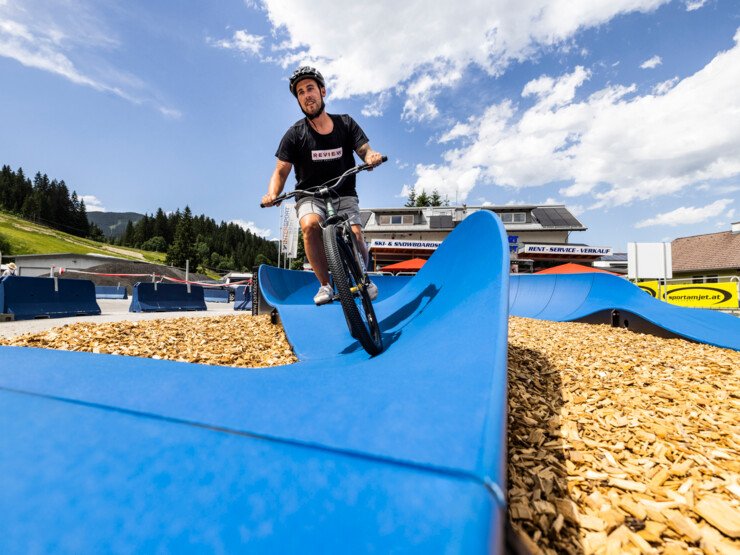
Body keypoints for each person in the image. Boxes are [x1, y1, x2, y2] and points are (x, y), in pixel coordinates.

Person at [262, 66, 384, 305]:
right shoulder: (294, 134)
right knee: (309, 226)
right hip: (309, 195)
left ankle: (364, 279)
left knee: (357, 234)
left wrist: (370, 157)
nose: (306, 95)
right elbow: (281, 170)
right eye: (300, 92)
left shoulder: (345, 124)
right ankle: (325, 285)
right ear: (298, 99)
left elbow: (364, 150)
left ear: (322, 91)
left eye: (310, 88)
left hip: (344, 191)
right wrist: (272, 194)